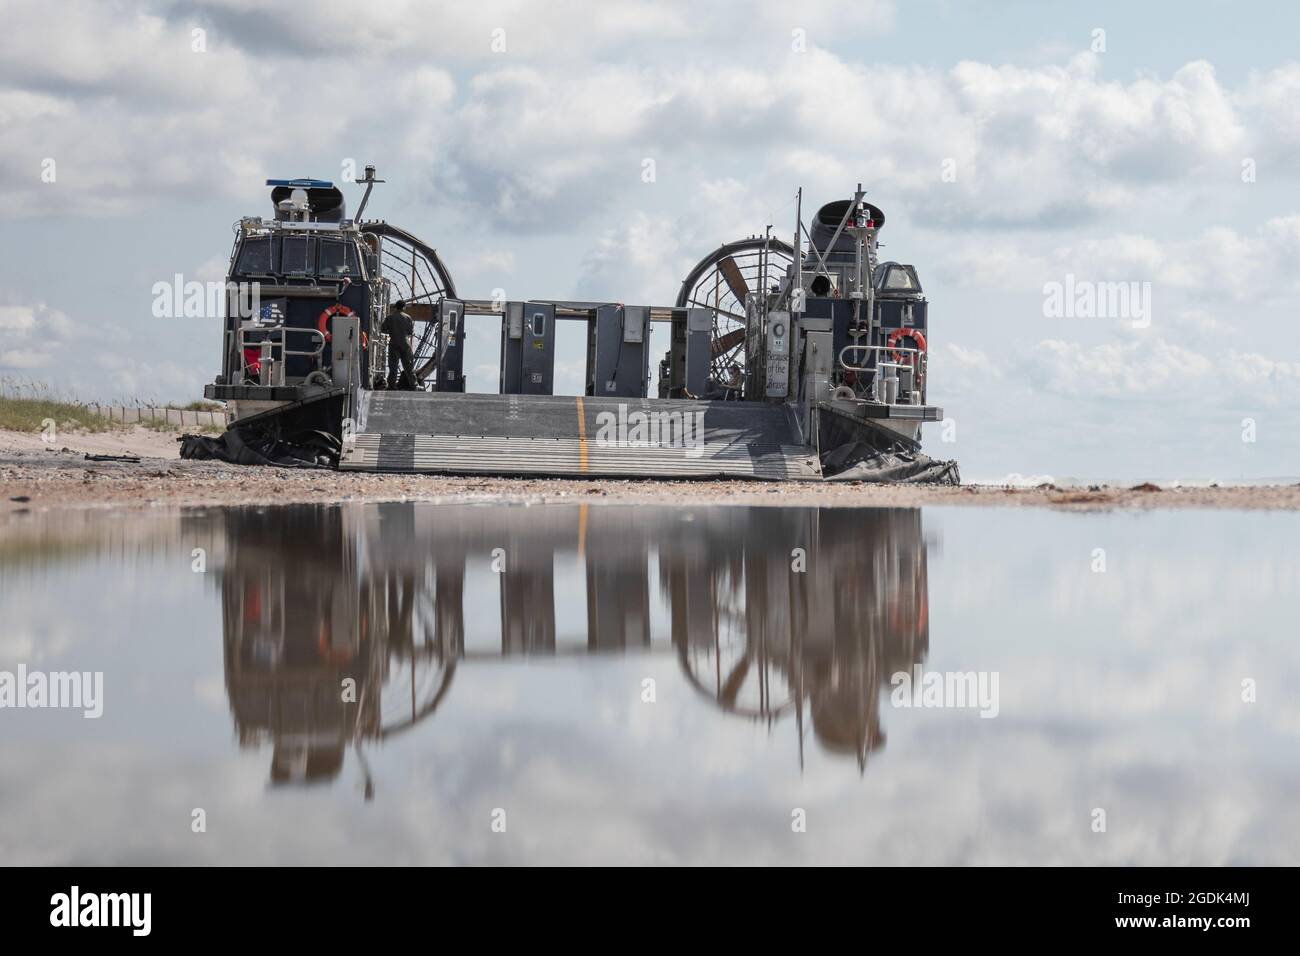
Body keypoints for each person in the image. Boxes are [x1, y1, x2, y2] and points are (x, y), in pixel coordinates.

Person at [380, 299, 417, 389]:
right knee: (408, 366)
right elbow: (410, 332)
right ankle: (413, 385)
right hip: (405, 344)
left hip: (394, 343)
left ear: (396, 307)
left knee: (393, 366)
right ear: (404, 307)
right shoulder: (408, 317)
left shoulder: (390, 318)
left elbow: (383, 329)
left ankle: (392, 385)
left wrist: (392, 332)